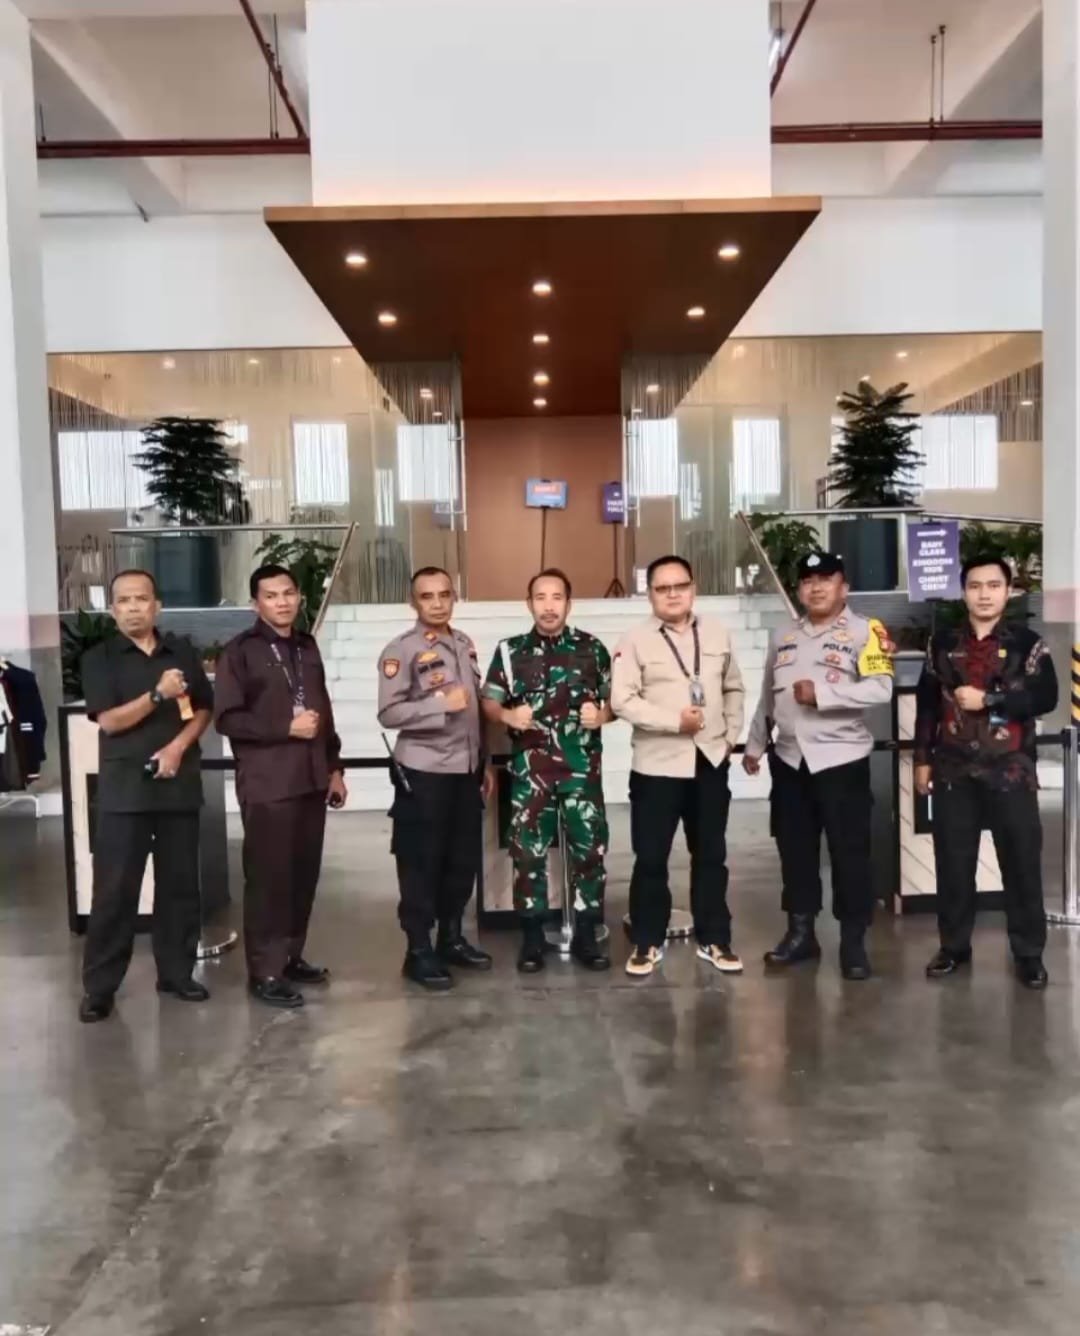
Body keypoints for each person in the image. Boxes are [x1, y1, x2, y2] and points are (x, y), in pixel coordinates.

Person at [743, 551, 894, 981]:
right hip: (790, 762)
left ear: (844, 587)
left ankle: (853, 941)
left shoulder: (867, 631)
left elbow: (881, 688)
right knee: (795, 852)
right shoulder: (784, 635)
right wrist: (755, 744)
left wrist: (824, 696)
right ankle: (801, 933)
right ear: (799, 590)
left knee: (850, 854)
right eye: (808, 580)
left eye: (825, 579)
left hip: (841, 761)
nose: (816, 587)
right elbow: (768, 696)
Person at [915, 555, 1057, 990]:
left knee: (1021, 863)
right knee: (953, 864)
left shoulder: (1028, 643)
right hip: (954, 770)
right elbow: (926, 705)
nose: (984, 594)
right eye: (975, 586)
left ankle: (1029, 954)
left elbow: (1047, 697)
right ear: (963, 592)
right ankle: (953, 947)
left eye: (993, 586)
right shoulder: (941, 643)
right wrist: (922, 760)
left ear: (1009, 591)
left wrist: (991, 702)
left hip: (1011, 771)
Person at [78, 569, 214, 1023]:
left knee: (180, 888)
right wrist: (158, 694)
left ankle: (176, 974)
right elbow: (110, 721)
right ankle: (99, 989)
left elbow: (203, 710)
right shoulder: (99, 658)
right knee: (115, 892)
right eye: (123, 600)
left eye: (141, 599)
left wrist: (178, 747)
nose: (133, 607)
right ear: (112, 609)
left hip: (178, 787)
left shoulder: (183, 653)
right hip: (124, 793)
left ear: (157, 606)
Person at [214, 564, 347, 1009]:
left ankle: (290, 956)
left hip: (311, 779)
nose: (282, 602)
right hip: (269, 782)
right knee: (269, 879)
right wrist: (285, 727)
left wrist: (334, 767)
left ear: (299, 596)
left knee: (302, 875)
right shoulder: (240, 652)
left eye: (288, 593)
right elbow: (228, 719)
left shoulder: (307, 646)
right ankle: (265, 971)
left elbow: (323, 711)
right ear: (256, 604)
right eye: (271, 596)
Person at [611, 555, 745, 978]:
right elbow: (622, 700)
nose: (672, 594)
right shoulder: (635, 640)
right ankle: (647, 941)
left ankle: (715, 938)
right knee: (651, 858)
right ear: (650, 594)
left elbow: (734, 688)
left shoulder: (717, 632)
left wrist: (729, 736)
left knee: (711, 855)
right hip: (657, 766)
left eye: (680, 586)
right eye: (662, 588)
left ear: (693, 589)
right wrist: (675, 722)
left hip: (709, 762)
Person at [481, 568, 614, 973]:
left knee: (589, 852)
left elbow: (617, 701)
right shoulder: (510, 651)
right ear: (529, 604)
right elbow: (489, 701)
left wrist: (602, 715)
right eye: (540, 598)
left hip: (580, 770)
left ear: (569, 604)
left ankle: (588, 934)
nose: (549, 606)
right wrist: (507, 715)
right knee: (527, 855)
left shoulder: (592, 649)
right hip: (531, 772)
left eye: (557, 597)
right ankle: (532, 937)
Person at [377, 566, 493, 991]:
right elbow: (389, 713)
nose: (438, 603)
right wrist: (440, 704)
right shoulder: (401, 650)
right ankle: (419, 950)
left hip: (465, 771)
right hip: (423, 772)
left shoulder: (463, 644)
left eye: (444, 594)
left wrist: (484, 763)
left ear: (454, 597)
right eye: (427, 596)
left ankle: (451, 937)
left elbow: (475, 710)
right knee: (421, 862)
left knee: (462, 862)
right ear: (414, 602)